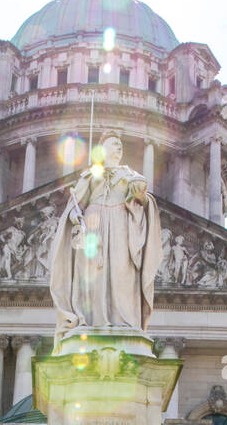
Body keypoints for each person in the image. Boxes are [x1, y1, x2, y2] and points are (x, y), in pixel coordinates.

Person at [49, 132, 163, 346]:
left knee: (123, 272)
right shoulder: (90, 175)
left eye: (120, 144)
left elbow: (144, 203)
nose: (119, 148)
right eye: (113, 144)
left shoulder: (130, 175)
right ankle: (88, 319)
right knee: (91, 276)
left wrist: (141, 196)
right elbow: (76, 205)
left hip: (121, 225)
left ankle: (124, 321)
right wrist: (75, 215)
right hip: (95, 226)